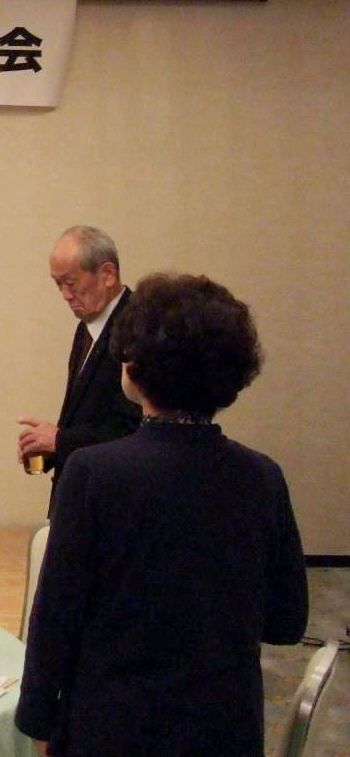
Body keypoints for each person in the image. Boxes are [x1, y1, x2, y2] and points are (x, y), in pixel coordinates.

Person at [16, 273, 308, 757]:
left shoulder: (94, 473)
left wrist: (37, 724)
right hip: (223, 732)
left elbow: (55, 623)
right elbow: (286, 622)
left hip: (114, 728)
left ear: (133, 366)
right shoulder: (263, 477)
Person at [18, 226, 141, 498]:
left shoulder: (137, 328)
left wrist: (60, 439)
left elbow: (137, 431)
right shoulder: (87, 327)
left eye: (70, 283)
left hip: (113, 500)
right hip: (80, 496)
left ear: (107, 275)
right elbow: (90, 417)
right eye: (57, 284)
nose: (64, 294)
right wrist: (48, 446)